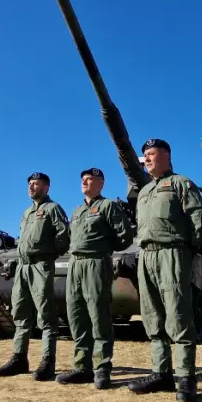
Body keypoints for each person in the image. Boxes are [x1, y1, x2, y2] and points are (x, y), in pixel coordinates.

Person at [127, 138, 202, 402]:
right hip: (146, 255)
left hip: (172, 253)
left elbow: (198, 219)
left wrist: (188, 250)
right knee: (152, 316)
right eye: (145, 155)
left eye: (151, 154)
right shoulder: (145, 191)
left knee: (178, 314)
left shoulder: (180, 183)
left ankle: (186, 377)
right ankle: (161, 373)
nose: (146, 159)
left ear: (166, 155)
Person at [56, 167, 134, 390]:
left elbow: (125, 236)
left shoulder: (107, 206)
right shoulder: (78, 210)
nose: (85, 182)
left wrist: (105, 249)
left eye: (90, 179)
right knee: (76, 314)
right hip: (75, 264)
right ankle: (82, 367)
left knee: (98, 315)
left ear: (101, 183)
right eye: (83, 179)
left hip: (96, 263)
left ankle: (102, 368)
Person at [0, 172, 70, 381]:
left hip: (40, 266)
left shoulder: (52, 209)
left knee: (45, 314)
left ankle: (47, 361)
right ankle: (19, 357)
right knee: (21, 313)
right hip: (23, 267)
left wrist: (49, 254)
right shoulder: (27, 212)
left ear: (46, 188)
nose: (31, 187)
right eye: (29, 183)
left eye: (35, 184)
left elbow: (63, 236)